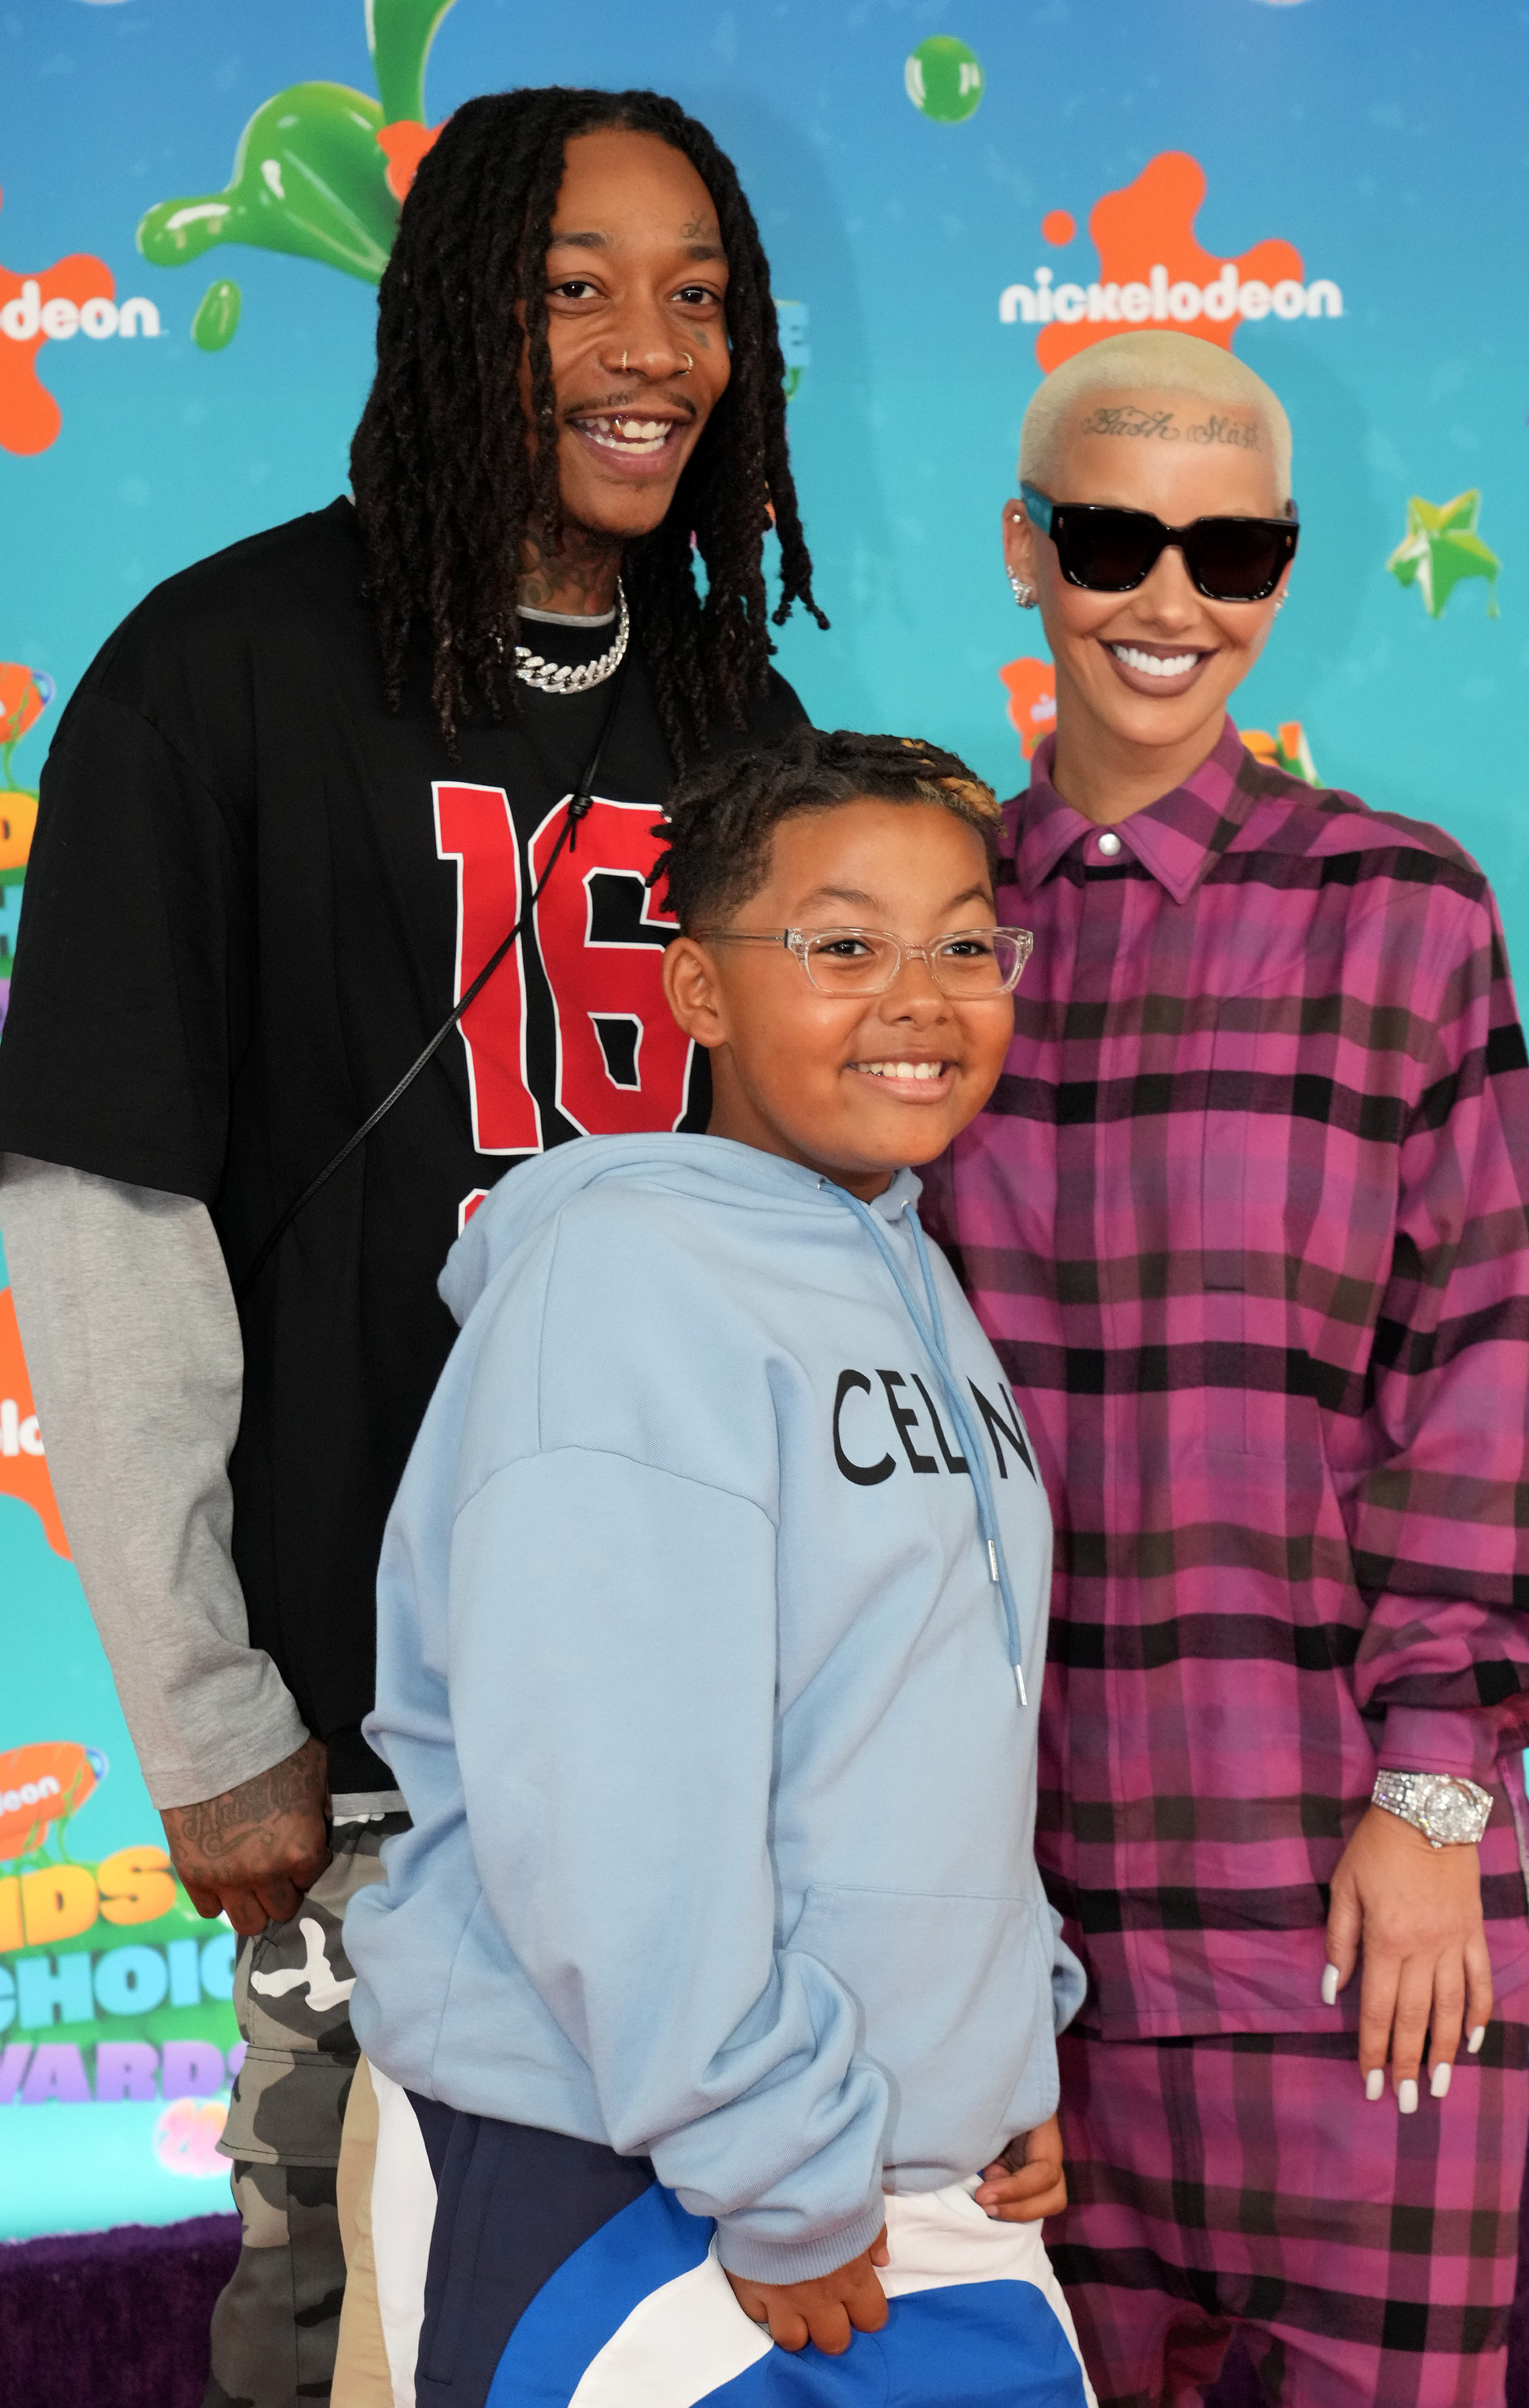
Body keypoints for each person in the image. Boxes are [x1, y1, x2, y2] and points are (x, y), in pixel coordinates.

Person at [0, 86, 820, 2408]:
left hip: (690, 1741)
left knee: (652, 2329)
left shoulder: (734, 712)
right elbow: (104, 1207)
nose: (648, 346)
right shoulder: (218, 668)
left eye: (698, 293)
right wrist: (204, 1709)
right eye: (575, 286)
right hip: (364, 1763)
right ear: (463, 312)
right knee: (345, 2298)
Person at [924, 330, 1529, 2408]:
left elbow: (1471, 1376)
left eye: (1233, 547)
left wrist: (1431, 1788)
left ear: (1284, 572)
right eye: (1114, 537)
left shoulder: (1404, 913)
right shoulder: (927, 940)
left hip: (1350, 1904)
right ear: (1025, 551)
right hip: (1008, 1945)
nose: (1170, 596)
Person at [340, 727, 1094, 2407]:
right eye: (843, 945)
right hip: (652, 2181)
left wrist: (997, 2037)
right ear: (695, 991)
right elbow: (605, 1799)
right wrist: (771, 2152)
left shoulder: (910, 1273)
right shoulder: (621, 1277)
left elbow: (923, 1722)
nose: (922, 994)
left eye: (967, 942)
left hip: (901, 2166)